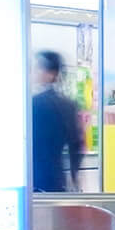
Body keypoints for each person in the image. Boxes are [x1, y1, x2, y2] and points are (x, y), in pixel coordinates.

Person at [29, 50, 84, 193]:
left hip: (33, 178)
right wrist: (74, 176)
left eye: (38, 67)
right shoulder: (68, 105)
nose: (34, 72)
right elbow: (77, 145)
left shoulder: (33, 103)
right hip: (56, 179)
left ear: (51, 73)